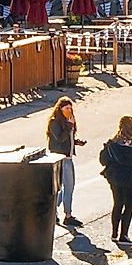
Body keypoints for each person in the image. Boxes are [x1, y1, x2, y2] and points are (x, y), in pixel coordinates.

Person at [97, 114, 132, 244]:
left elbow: (103, 160)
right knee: (129, 206)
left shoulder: (113, 143)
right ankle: (123, 234)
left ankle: (114, 233)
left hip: (116, 178)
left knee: (117, 203)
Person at [45, 97, 81, 228]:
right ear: (60, 109)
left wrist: (76, 142)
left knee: (67, 187)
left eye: (70, 108)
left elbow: (68, 138)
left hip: (69, 157)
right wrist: (69, 127)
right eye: (66, 108)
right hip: (60, 159)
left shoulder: (68, 121)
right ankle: (67, 215)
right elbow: (59, 138)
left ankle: (54, 211)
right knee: (65, 187)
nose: (69, 111)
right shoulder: (54, 122)